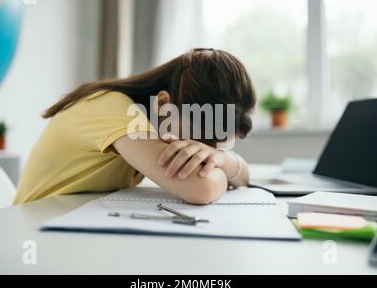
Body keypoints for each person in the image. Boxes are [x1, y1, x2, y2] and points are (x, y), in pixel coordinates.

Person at [13, 48, 256, 205]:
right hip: (32, 227)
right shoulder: (114, 108)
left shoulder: (149, 123)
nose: (200, 153)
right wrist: (220, 169)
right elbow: (201, 188)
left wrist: (222, 159)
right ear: (163, 105)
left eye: (213, 147)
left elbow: (244, 175)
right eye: (200, 139)